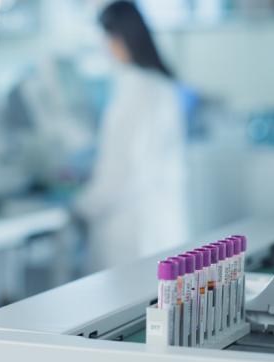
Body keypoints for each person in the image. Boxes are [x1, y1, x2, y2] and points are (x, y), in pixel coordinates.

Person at [74, 0, 190, 272]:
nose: (105, 46)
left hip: (130, 231)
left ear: (121, 38)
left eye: (107, 37)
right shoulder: (162, 86)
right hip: (163, 225)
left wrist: (82, 206)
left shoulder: (134, 92)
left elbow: (121, 173)